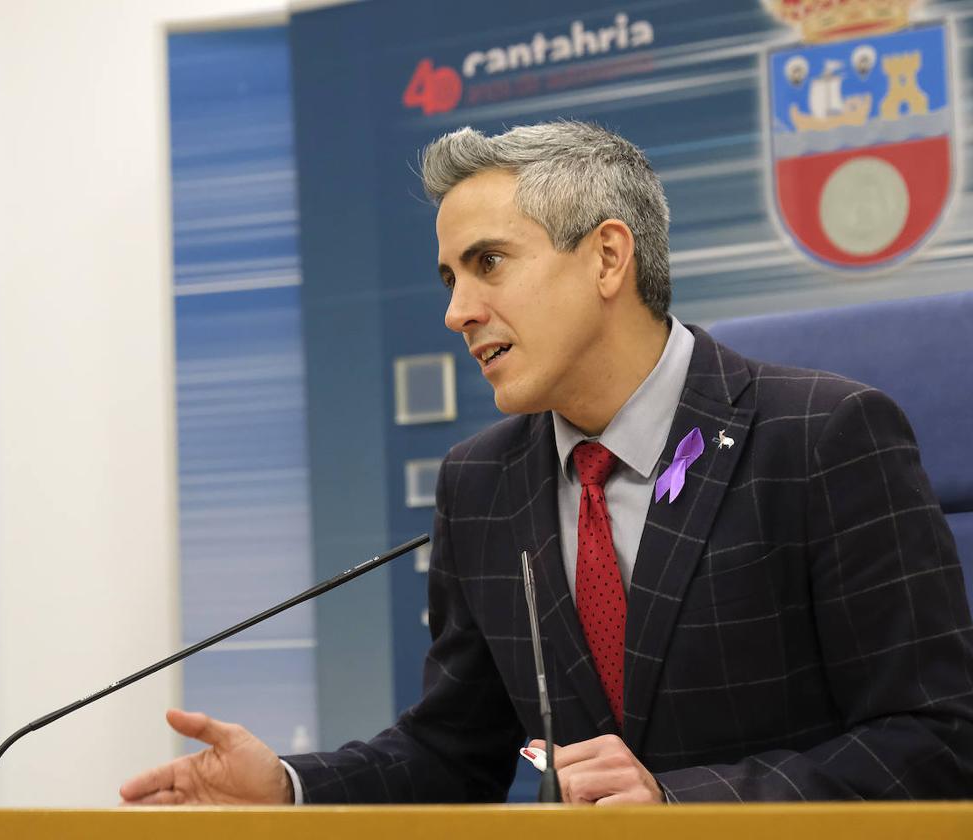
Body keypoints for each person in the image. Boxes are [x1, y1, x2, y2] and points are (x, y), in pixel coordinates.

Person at [120, 121, 973, 806]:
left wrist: (685, 804)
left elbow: (938, 739)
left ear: (608, 256)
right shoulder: (481, 484)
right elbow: (455, 753)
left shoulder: (823, 437)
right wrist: (294, 787)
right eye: (449, 277)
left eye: (488, 263)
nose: (457, 311)